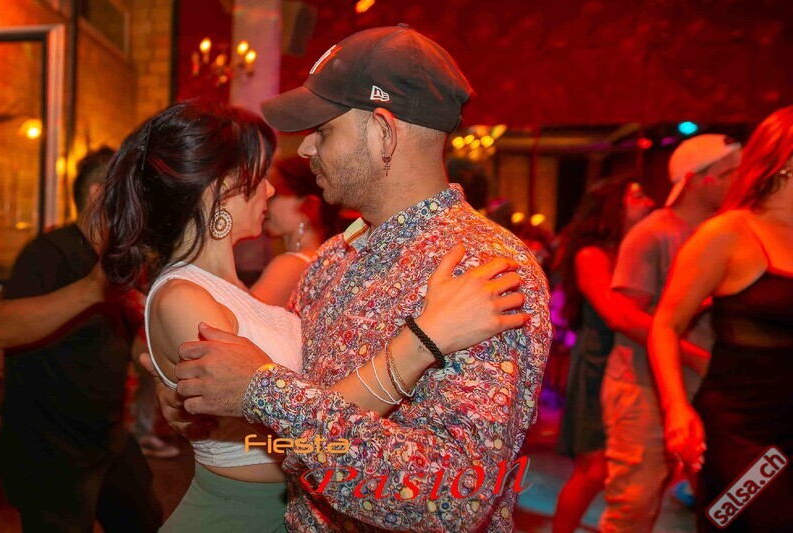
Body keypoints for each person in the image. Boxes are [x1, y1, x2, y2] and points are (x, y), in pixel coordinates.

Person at [158, 24, 551, 532]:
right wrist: (216, 419)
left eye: (323, 130)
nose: (305, 149)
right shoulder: (331, 261)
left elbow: (453, 497)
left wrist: (261, 391)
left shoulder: (483, 267)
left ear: (384, 133)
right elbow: (300, 435)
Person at [0, 148, 162, 532]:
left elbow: (131, 346)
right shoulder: (50, 252)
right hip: (49, 450)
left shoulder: (118, 261)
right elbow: (2, 327)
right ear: (99, 195)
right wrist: (91, 290)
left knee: (147, 519)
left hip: (107, 437)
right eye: (132, 192)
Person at [650, 107, 793, 531]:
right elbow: (665, 325)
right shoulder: (727, 233)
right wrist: (676, 408)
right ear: (786, 161)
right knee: (751, 521)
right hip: (741, 432)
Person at [599, 134, 741, 532]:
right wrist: (693, 355)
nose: (740, 181)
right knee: (634, 505)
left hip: (707, 385)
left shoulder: (727, 234)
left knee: (723, 500)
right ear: (697, 179)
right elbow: (624, 316)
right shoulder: (653, 233)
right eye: (731, 173)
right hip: (642, 386)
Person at [553, 178, 655, 532]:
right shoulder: (591, 255)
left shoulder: (630, 252)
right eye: (637, 196)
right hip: (596, 365)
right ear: (614, 207)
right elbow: (614, 314)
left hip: (623, 365)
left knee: (616, 467)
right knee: (592, 470)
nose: (649, 202)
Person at [251, 156, 341, 306]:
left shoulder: (291, 266)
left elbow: (238, 317)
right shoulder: (325, 261)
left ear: (309, 205)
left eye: (276, 194)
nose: (265, 201)